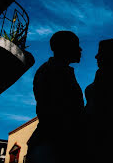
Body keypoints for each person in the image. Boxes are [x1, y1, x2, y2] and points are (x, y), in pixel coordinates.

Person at [27, 31, 85, 163]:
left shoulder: (56, 70)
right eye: (76, 45)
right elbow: (61, 111)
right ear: (66, 47)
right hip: (55, 145)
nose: (80, 49)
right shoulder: (54, 71)